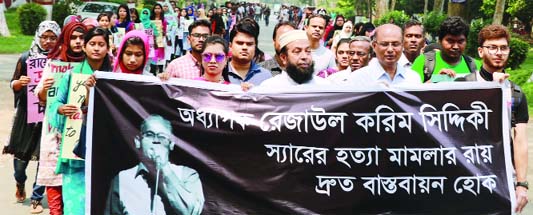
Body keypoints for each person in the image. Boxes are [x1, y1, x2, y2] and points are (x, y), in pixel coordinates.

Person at [455, 24, 528, 213]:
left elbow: (520, 141)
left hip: (503, 179)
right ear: (480, 51)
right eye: (492, 47)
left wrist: (522, 184)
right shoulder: (462, 86)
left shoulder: (517, 93)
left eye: (503, 48)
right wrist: (492, 91)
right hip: (466, 176)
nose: (499, 53)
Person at [49, 27, 112, 215]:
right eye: (92, 44)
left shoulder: (114, 78)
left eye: (101, 44)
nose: (96, 48)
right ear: (84, 47)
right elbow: (55, 104)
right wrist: (61, 109)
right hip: (75, 150)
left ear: (108, 48)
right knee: (75, 207)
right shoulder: (71, 75)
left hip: (106, 151)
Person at [4, 20, 60, 214]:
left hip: (49, 115)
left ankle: (37, 197)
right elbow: (13, 83)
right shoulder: (27, 57)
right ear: (38, 36)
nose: (48, 41)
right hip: (27, 113)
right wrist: (20, 83)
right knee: (20, 161)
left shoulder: (61, 61)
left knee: (45, 156)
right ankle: (20, 182)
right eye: (45, 37)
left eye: (53, 38)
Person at [34, 21, 87, 215]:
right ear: (66, 39)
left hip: (79, 131)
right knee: (53, 176)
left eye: (82, 37)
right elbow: (39, 95)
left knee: (75, 180)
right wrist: (45, 89)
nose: (78, 42)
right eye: (73, 37)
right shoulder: (54, 62)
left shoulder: (91, 64)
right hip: (54, 130)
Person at [105, 115, 205, 215]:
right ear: (138, 141)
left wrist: (164, 167)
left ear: (171, 144)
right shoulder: (122, 179)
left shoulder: (187, 175)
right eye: (149, 134)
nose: (156, 141)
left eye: (162, 136)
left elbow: (190, 212)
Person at [411, 16, 481, 83]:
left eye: (460, 41)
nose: (455, 47)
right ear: (440, 41)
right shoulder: (422, 62)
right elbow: (410, 93)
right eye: (450, 41)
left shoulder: (475, 66)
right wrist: (436, 79)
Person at [347, 24, 420, 86]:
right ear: (374, 46)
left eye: (395, 44)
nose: (390, 49)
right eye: (384, 44)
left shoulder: (413, 78)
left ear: (402, 45)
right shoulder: (358, 79)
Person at [259, 30, 329, 87]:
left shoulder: (324, 87)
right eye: (297, 52)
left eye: (308, 51)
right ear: (283, 58)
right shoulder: (270, 88)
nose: (304, 57)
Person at [227, 19, 272, 86]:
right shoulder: (219, 73)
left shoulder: (266, 77)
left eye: (249, 44)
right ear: (230, 46)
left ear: (255, 47)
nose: (244, 47)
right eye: (240, 43)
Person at [150, 3, 167, 75]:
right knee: (153, 55)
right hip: (151, 40)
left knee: (160, 56)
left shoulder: (164, 20)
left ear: (161, 10)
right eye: (155, 8)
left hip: (160, 40)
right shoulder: (150, 19)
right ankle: (153, 71)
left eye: (158, 8)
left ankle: (160, 71)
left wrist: (163, 31)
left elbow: (165, 31)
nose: (157, 10)